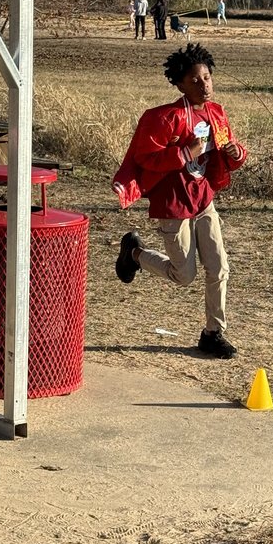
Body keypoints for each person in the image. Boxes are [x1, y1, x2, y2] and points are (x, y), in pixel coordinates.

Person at [112, 42, 247, 359]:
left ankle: (213, 334)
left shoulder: (216, 113)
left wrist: (236, 154)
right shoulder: (165, 118)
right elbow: (146, 159)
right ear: (180, 84)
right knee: (183, 275)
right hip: (174, 205)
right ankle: (134, 254)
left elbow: (231, 151)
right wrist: (185, 153)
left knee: (220, 267)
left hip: (204, 201)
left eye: (207, 78)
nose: (204, 85)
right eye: (195, 80)